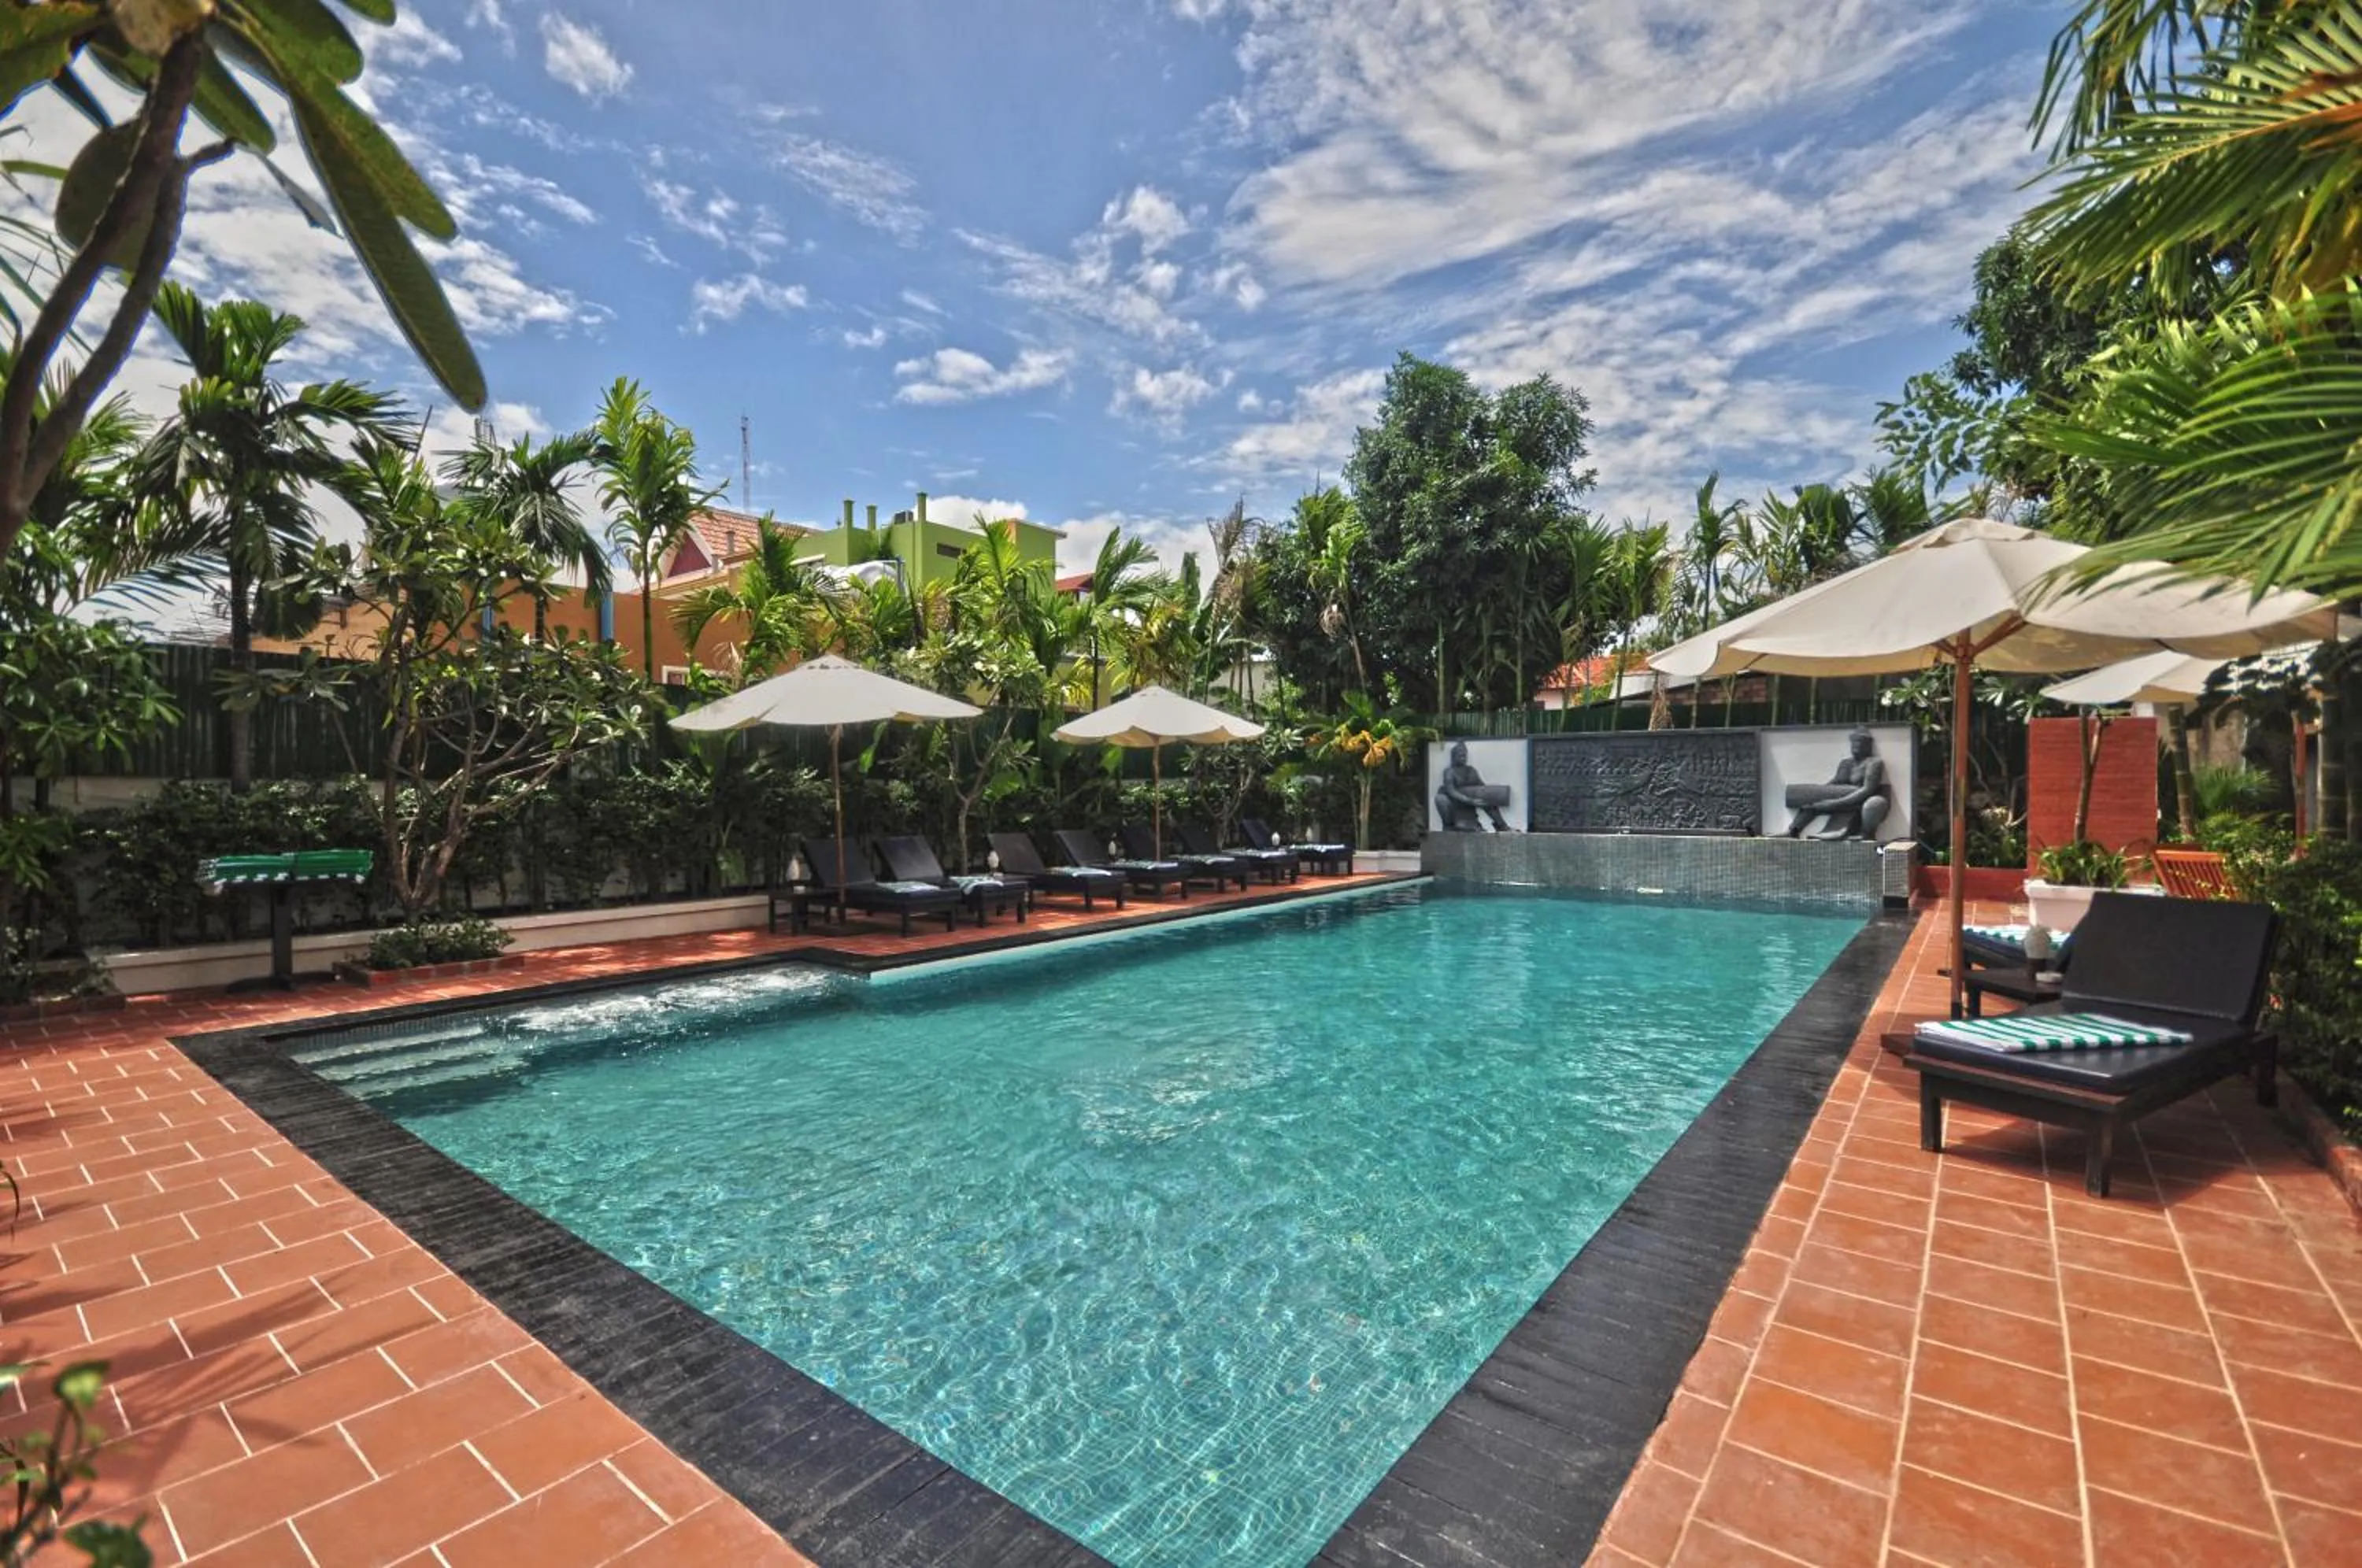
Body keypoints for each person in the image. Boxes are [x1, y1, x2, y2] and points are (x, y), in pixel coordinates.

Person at [1783, 728, 1890, 840]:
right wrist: (1817, 796)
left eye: (1861, 743)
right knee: (1812, 803)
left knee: (1874, 803)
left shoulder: (1874, 763)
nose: (1856, 745)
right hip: (1843, 796)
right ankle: (1793, 830)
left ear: (1868, 745)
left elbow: (1867, 789)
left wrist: (1835, 803)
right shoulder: (1846, 763)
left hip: (1860, 800)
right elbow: (1836, 783)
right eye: (1854, 742)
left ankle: (1866, 834)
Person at [1435, 741, 1514, 831]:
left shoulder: (1471, 770)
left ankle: (1501, 825)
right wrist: (1469, 801)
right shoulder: (1449, 772)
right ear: (1454, 757)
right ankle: (1451, 825)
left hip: (1470, 799)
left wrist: (1489, 796)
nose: (1463, 758)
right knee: (1440, 799)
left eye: (1465, 755)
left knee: (1486, 800)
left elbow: (1482, 787)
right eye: (1460, 756)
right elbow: (1451, 791)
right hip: (1456, 801)